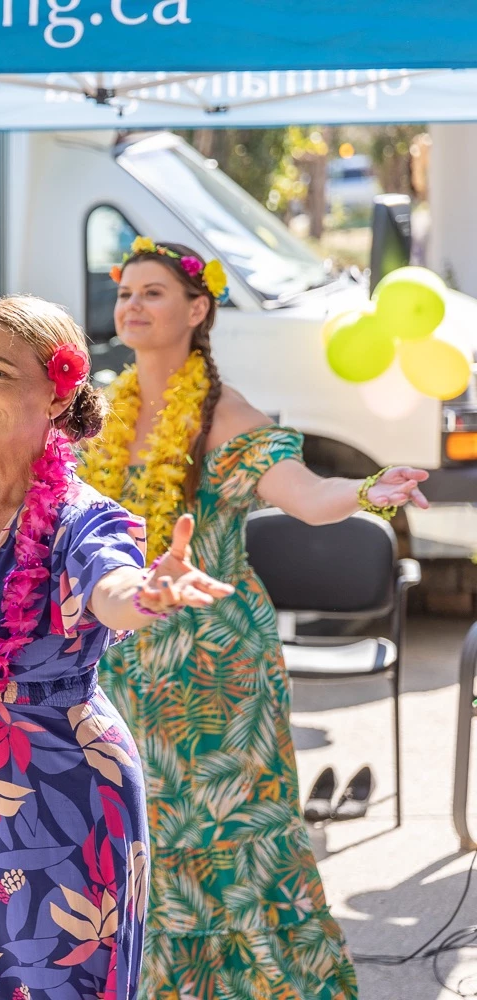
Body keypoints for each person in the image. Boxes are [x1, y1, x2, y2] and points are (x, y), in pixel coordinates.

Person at [0, 295, 234, 1000]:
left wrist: (150, 593)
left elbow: (112, 586)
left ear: (57, 393)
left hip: (56, 792)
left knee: (54, 981)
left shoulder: (85, 519)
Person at [81, 237, 429, 1000]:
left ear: (197, 310)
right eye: (126, 292)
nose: (132, 306)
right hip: (125, 649)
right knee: (142, 832)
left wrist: (372, 490)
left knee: (224, 832)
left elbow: (306, 498)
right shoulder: (104, 409)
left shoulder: (223, 413)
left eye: (153, 293)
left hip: (212, 664)